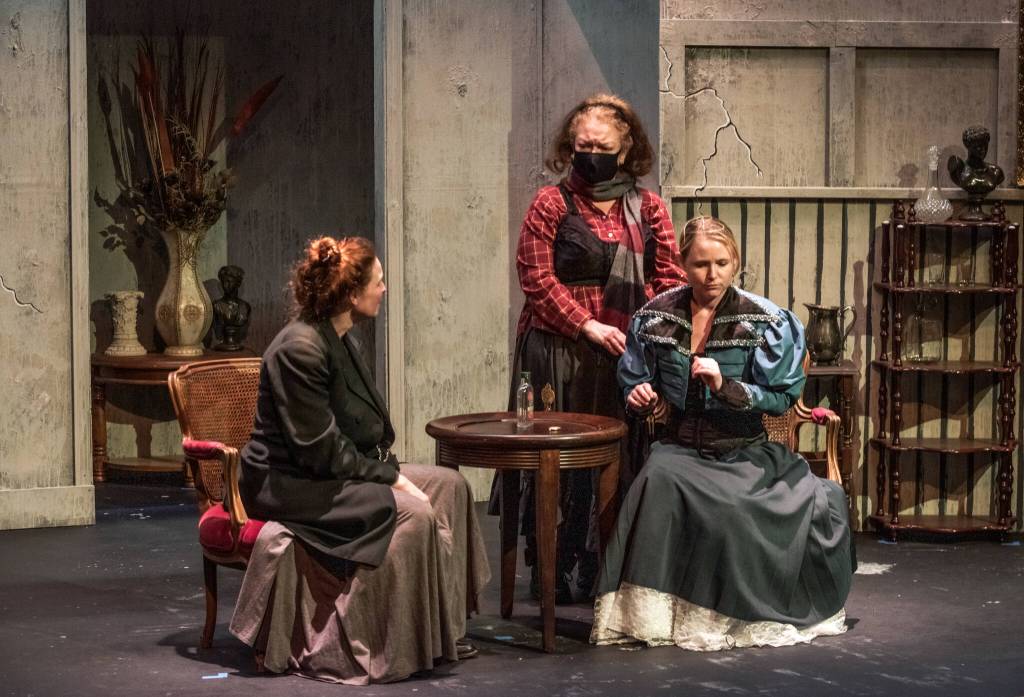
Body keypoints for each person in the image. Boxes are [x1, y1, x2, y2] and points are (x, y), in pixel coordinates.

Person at [230, 236, 490, 684]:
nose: (384, 289)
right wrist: (391, 479)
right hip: (291, 484)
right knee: (410, 512)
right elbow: (319, 451)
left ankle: (442, 631)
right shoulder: (300, 349)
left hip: (333, 468)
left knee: (451, 485)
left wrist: (388, 471)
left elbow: (352, 432)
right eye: (379, 281)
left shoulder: (340, 337)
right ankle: (391, 644)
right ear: (352, 294)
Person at [591, 216, 855, 651]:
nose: (711, 275)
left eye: (721, 263)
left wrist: (726, 386)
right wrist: (640, 396)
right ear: (683, 264)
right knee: (656, 483)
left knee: (735, 510)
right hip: (679, 447)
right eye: (699, 264)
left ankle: (733, 613)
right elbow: (636, 379)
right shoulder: (655, 317)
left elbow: (782, 397)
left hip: (744, 449)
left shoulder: (766, 322)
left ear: (735, 263)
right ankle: (660, 615)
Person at [497, 93, 686, 604]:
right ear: (570, 146)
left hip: (625, 354)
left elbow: (668, 279)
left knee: (616, 461)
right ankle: (550, 564)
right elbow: (536, 278)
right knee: (556, 462)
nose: (591, 153)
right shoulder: (551, 203)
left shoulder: (649, 208)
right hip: (559, 352)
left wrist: (644, 333)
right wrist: (586, 325)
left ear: (624, 150)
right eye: (583, 145)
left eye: (601, 145)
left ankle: (603, 564)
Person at [211, 264, 251, 351]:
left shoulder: (245, 307)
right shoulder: (216, 306)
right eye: (223, 282)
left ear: (238, 283)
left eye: (229, 281)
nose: (225, 285)